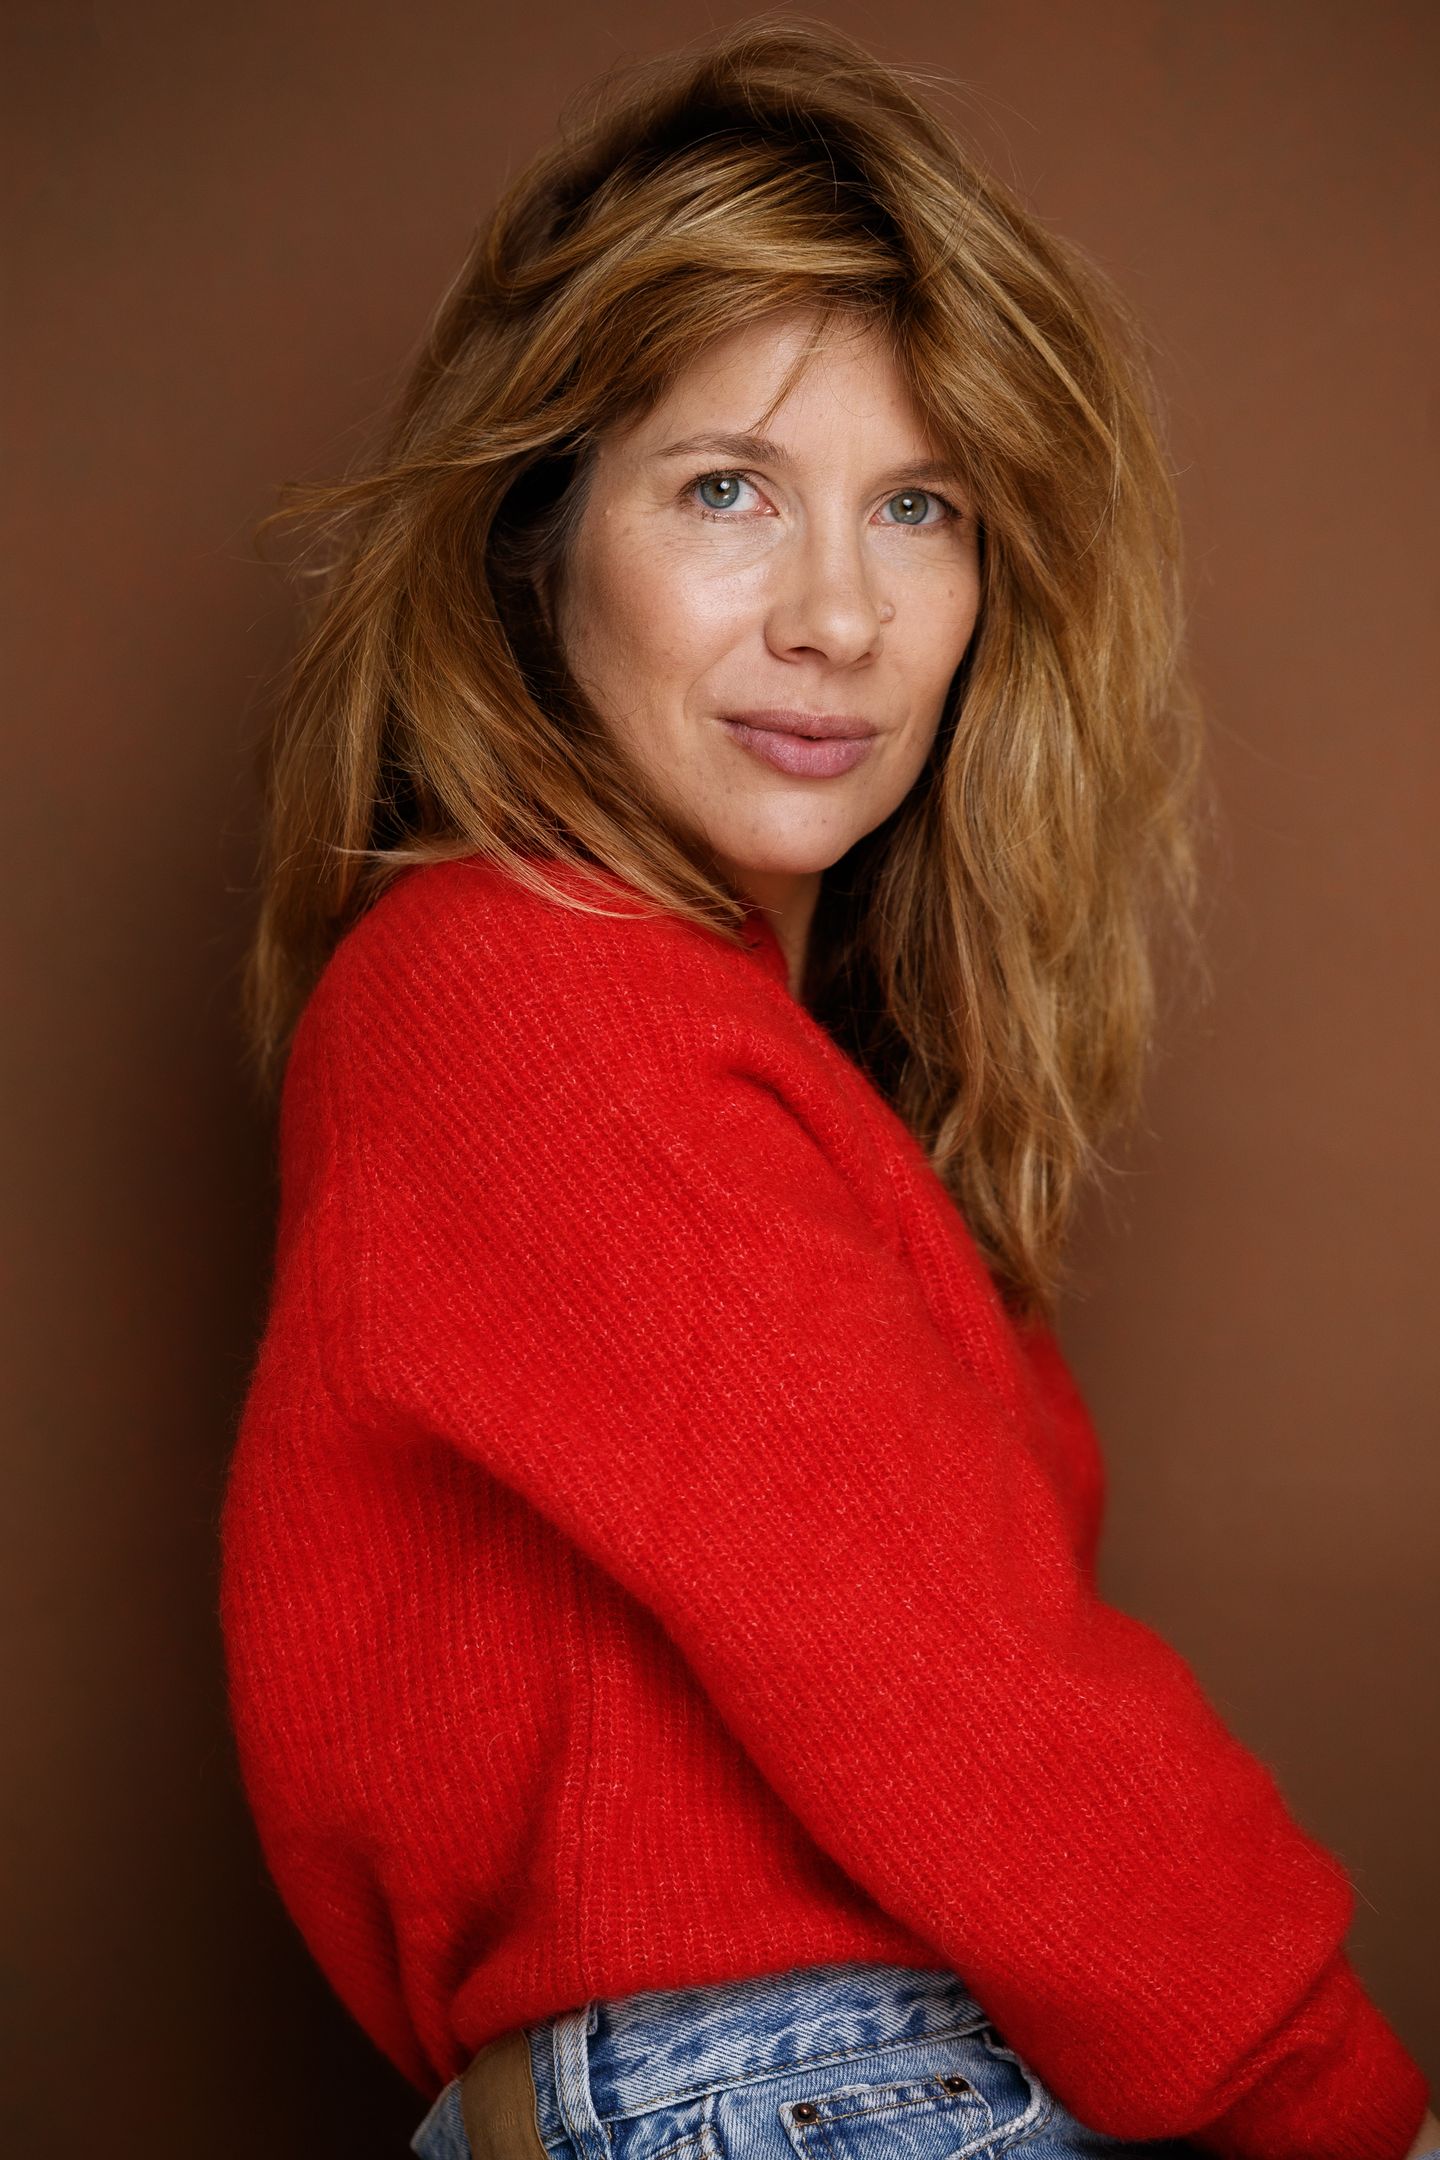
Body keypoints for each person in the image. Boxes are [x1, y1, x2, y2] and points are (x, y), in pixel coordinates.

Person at [218, 15, 1438, 2160]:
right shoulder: (522, 989)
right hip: (799, 2093)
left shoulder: (738, 1053)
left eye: (918, 507)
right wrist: (1342, 2109)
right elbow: (972, 1698)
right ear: (538, 539)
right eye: (727, 491)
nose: (841, 615)